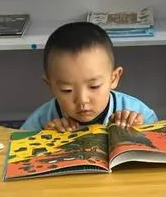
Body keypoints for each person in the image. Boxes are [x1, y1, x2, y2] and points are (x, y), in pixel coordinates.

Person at [21, 22, 158, 132]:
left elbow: (161, 144)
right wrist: (44, 138)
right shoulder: (40, 121)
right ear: (50, 85)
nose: (82, 100)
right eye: (67, 90)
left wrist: (140, 130)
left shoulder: (138, 113)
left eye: (94, 86)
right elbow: (16, 149)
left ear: (114, 78)